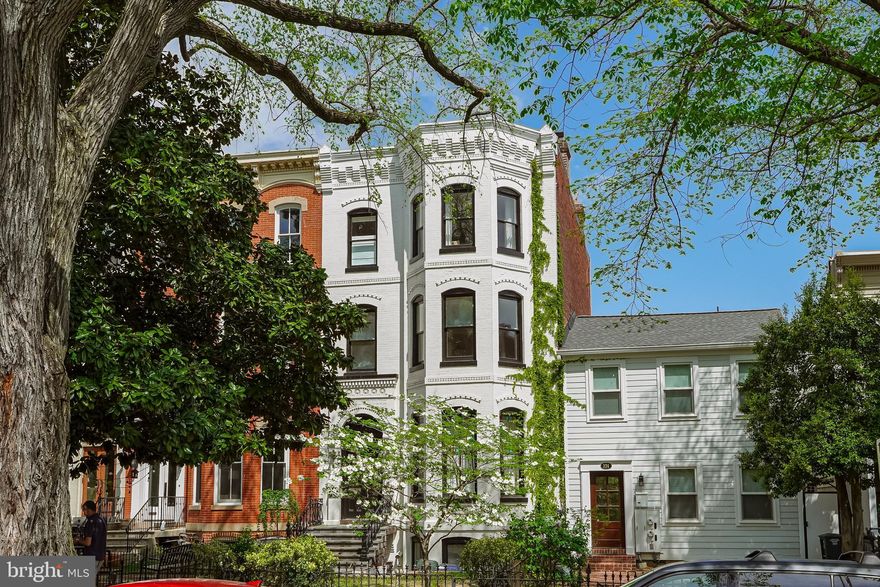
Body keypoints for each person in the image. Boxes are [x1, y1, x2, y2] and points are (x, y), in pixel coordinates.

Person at [75, 501, 107, 572]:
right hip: (101, 556)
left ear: (89, 509)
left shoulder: (90, 522)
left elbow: (87, 542)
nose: (83, 512)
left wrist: (78, 539)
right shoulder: (101, 520)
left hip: (91, 556)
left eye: (84, 509)